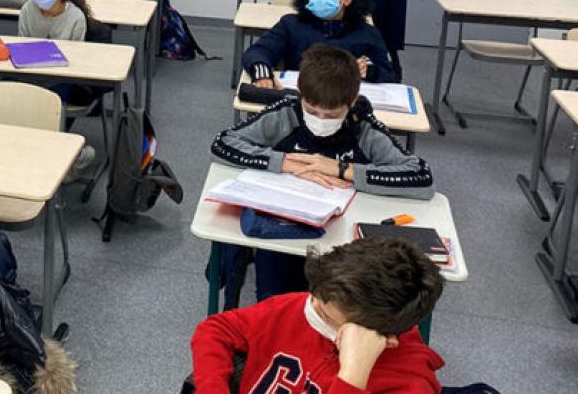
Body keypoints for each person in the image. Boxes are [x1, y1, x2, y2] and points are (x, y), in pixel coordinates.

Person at [211, 45, 433, 299]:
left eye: (332, 115)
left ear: (352, 102)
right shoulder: (287, 113)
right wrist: (284, 162)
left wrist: (342, 169)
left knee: (340, 299)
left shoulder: (362, 127)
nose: (320, 120)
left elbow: (421, 177)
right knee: (275, 296)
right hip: (283, 229)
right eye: (312, 111)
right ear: (301, 94)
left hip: (341, 239)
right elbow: (222, 144)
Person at [191, 237, 445, 393]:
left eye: (325, 317)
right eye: (314, 298)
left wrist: (352, 377)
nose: (310, 308)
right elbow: (216, 329)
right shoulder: (308, 304)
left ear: (380, 338)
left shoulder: (410, 385)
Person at [243, 0, 396, 87]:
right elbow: (259, 51)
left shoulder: (367, 33)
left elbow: (389, 74)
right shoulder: (291, 24)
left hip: (345, 102)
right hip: (300, 98)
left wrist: (369, 71)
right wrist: (262, 74)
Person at [18, 0, 97, 179]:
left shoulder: (76, 17)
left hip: (61, 78)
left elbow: (75, 59)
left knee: (46, 109)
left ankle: (68, 160)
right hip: (31, 75)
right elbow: (22, 46)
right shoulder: (27, 10)